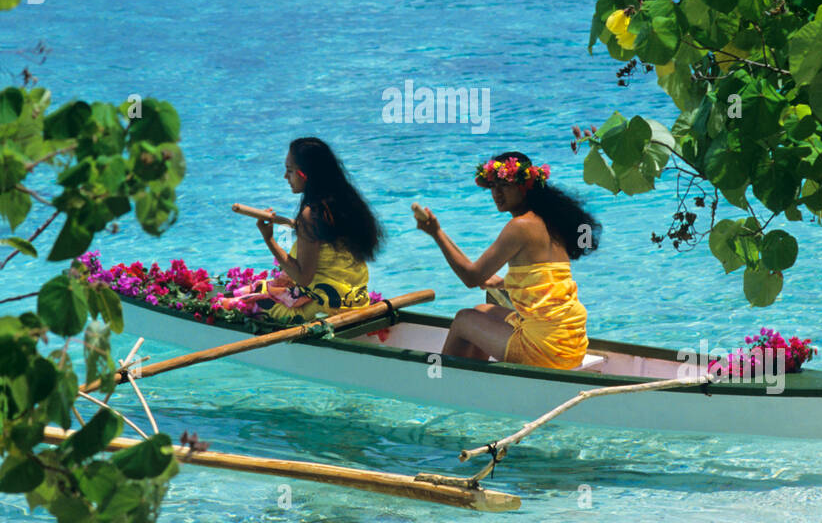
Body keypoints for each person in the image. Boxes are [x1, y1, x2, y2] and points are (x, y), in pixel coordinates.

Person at [412, 152, 600, 369]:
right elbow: (546, 280)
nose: (496, 193)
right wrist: (502, 282)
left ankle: (444, 384)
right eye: (493, 186)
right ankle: (475, 380)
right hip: (572, 343)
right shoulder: (552, 221)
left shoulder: (520, 226)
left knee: (464, 319)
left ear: (525, 186)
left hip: (546, 349)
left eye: (504, 185)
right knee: (483, 310)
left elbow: (471, 277)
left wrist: (436, 233)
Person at [219, 137, 383, 322]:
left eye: (289, 171)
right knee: (256, 288)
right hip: (354, 300)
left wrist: (269, 239)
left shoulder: (310, 214)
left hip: (325, 309)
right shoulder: (345, 203)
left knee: (242, 304)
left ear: (305, 175)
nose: (285, 177)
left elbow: (303, 278)